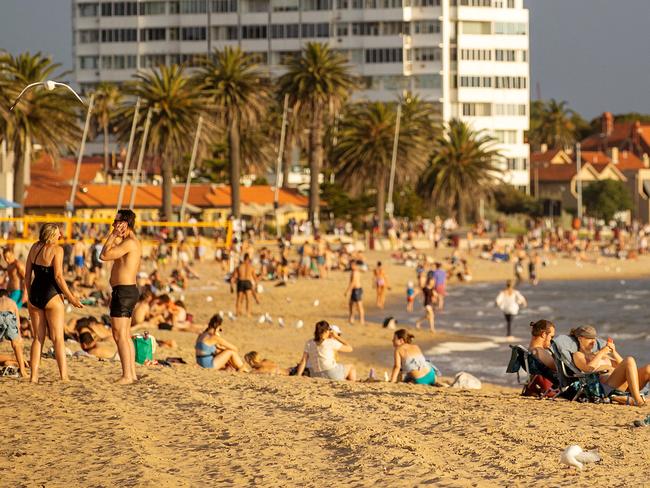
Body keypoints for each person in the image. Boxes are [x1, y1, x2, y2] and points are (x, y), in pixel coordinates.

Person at [25, 223, 83, 383]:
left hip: (35, 295)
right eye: (58, 233)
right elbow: (58, 276)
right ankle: (64, 376)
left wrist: (30, 296)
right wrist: (71, 298)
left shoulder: (34, 247)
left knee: (38, 338)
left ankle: (33, 377)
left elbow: (27, 276)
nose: (61, 235)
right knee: (58, 338)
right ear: (51, 235)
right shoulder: (57, 250)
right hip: (51, 296)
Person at [100, 209, 142, 385]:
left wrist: (112, 235)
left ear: (126, 223)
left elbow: (103, 255)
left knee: (119, 335)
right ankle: (131, 374)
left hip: (124, 292)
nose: (114, 225)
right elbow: (108, 249)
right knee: (125, 334)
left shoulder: (130, 243)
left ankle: (127, 375)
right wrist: (115, 235)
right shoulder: (127, 242)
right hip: (125, 291)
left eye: (117, 222)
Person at [572, 325, 650, 406]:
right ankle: (638, 400)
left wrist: (614, 353)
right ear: (580, 339)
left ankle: (634, 395)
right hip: (608, 386)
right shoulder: (578, 355)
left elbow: (627, 366)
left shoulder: (600, 354)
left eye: (594, 338)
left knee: (648, 368)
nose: (593, 341)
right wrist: (601, 352)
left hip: (625, 383)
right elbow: (588, 369)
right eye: (589, 338)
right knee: (629, 359)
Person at [0, 289, 28, 377]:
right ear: (7, 295)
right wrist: (18, 336)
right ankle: (23, 372)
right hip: (9, 315)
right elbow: (18, 323)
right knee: (16, 345)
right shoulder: (12, 302)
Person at [231, 253, 257, 318]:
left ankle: (237, 312)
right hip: (248, 282)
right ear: (248, 259)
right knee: (249, 299)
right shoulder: (251, 267)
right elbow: (255, 278)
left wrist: (231, 286)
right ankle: (248, 313)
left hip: (240, 282)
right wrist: (255, 286)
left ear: (243, 259)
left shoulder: (239, 267)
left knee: (239, 299)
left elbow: (234, 277)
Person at [344, 260, 365, 325]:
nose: (351, 266)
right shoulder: (354, 271)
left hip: (357, 290)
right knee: (351, 304)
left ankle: (362, 320)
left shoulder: (355, 272)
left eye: (352, 265)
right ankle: (351, 318)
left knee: (359, 305)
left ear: (355, 265)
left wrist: (347, 291)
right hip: (355, 290)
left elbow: (353, 282)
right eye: (351, 265)